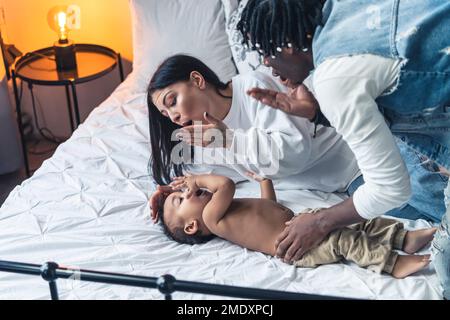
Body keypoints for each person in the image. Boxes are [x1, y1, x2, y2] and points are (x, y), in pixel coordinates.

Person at [237, 0, 450, 298]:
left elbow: (390, 189)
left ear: (287, 45)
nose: (266, 65)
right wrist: (317, 115)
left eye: (265, 51)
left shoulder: (333, 79)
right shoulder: (346, 7)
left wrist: (320, 221)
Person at [149, 173, 436, 279]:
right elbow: (224, 183)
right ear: (191, 227)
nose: (186, 191)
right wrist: (197, 179)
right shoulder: (213, 217)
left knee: (361, 221)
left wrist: (264, 181)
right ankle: (392, 264)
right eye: (179, 200)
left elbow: (268, 207)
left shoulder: (223, 210)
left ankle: (403, 238)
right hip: (297, 247)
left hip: (299, 222)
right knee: (343, 239)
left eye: (181, 191)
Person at [147, 54, 362, 194]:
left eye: (172, 101)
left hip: (357, 165)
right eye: (166, 114)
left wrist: (229, 139)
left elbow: (295, 151)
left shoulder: (253, 88)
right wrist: (172, 192)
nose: (173, 117)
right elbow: (213, 178)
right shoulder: (204, 141)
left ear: (197, 80)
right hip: (339, 188)